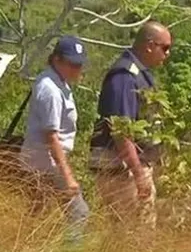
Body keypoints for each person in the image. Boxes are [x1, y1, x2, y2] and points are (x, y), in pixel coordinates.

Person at [89, 21, 172, 228]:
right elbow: (121, 131)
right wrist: (138, 175)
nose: (167, 54)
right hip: (121, 171)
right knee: (135, 234)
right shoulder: (125, 77)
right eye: (165, 48)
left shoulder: (138, 74)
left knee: (131, 233)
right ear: (149, 45)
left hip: (130, 168)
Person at [20, 36, 89, 240]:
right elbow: (51, 137)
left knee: (37, 215)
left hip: (44, 163)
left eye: (80, 64)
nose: (77, 69)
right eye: (72, 64)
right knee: (78, 212)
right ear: (57, 60)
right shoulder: (50, 89)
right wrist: (67, 176)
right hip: (45, 164)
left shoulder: (59, 83)